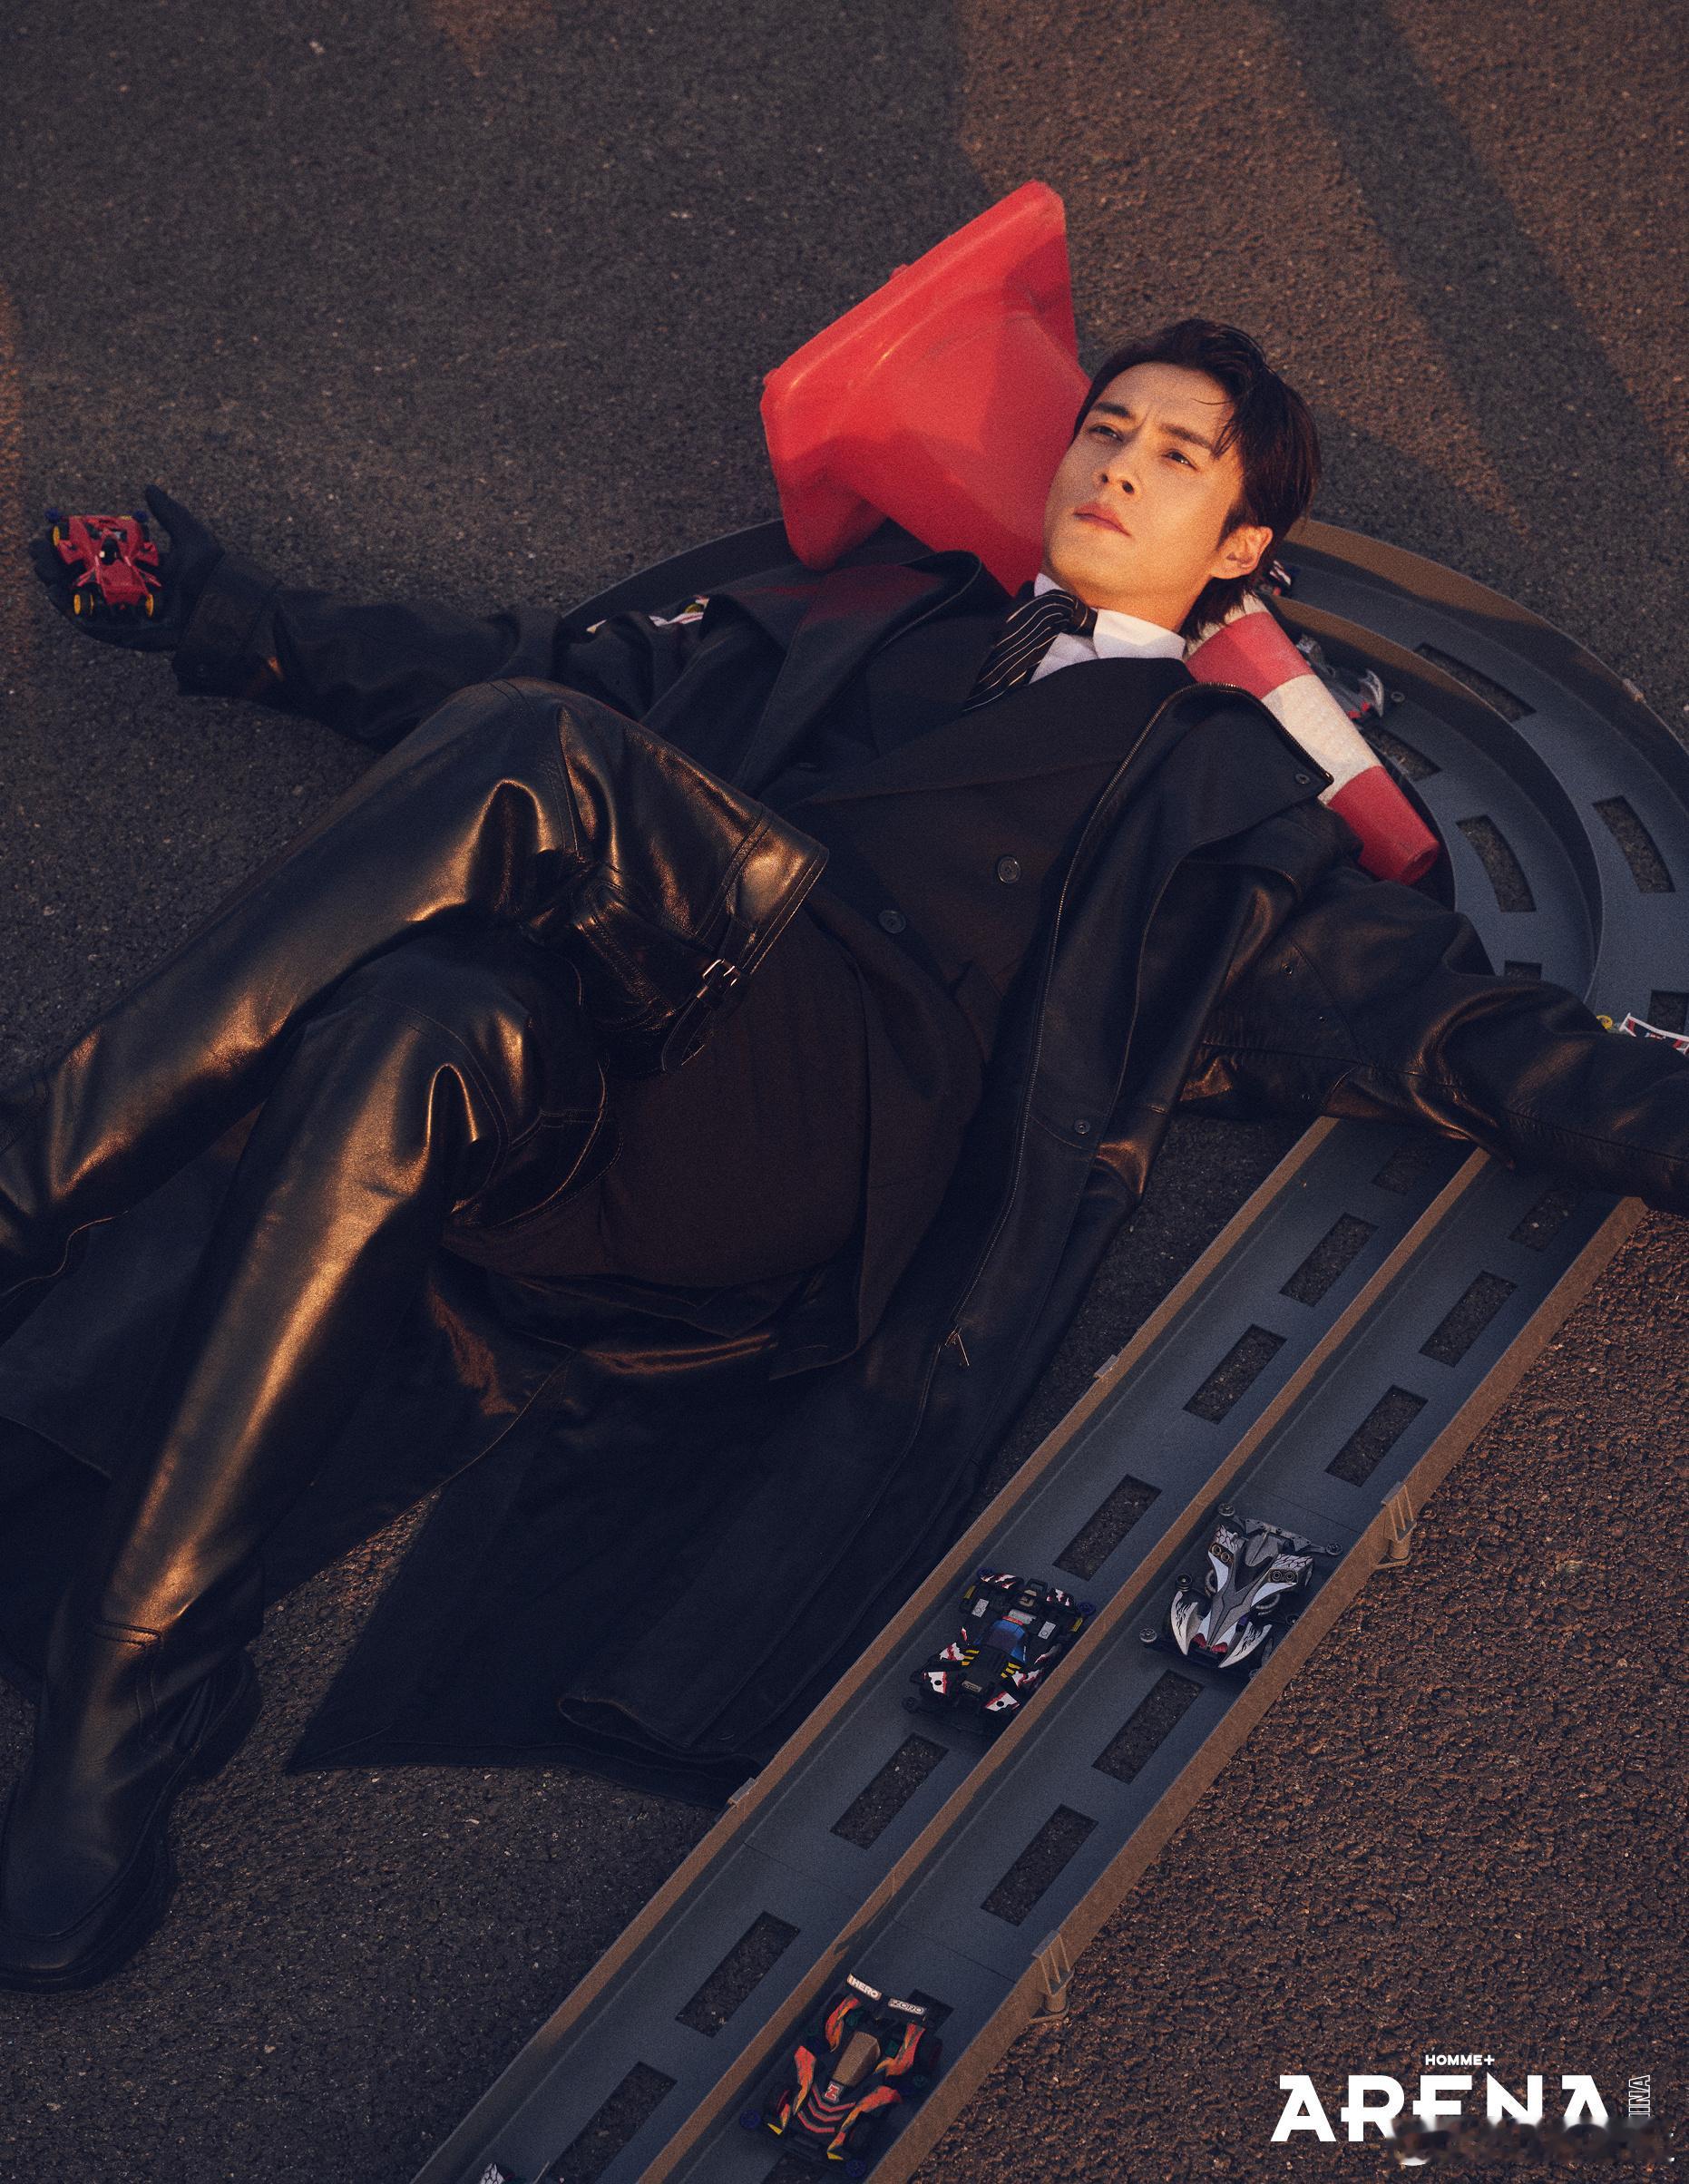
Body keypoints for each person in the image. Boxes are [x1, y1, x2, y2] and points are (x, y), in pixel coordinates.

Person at [4, 319, 1686, 1994]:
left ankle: (28, 1186)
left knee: (539, 752)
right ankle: (125, 1716)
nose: (1116, 465)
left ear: (1239, 546)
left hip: (809, 1142)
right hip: (592, 1101)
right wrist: (222, 617)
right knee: (414, 1015)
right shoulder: (869, 612)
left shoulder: (1217, 788)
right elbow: (512, 678)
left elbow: (1456, 1031)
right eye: (1104, 428)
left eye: (1176, 456)